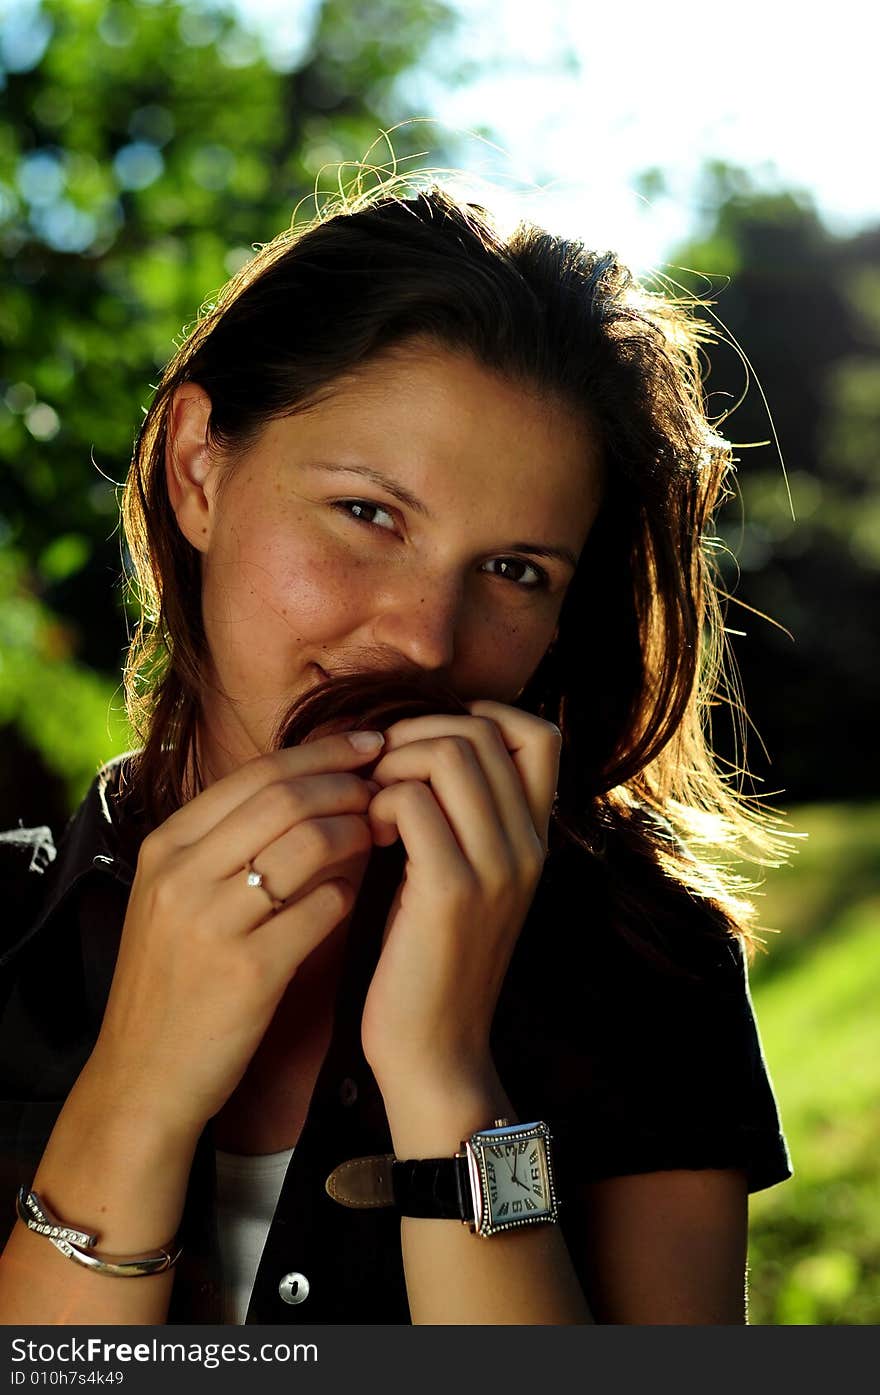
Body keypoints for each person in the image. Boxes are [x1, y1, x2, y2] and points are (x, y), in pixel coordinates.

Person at [0, 179, 793, 1326]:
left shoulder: (645, 967)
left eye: (516, 571)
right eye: (369, 514)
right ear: (197, 472)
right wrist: (136, 1090)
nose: (426, 638)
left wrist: (444, 1078)